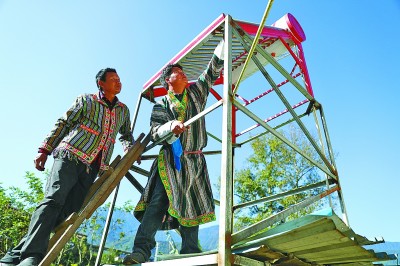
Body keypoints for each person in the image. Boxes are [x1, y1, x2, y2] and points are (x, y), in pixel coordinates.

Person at [0, 68, 137, 266]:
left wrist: (129, 149)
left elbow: (126, 134)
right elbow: (63, 123)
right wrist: (44, 150)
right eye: (113, 79)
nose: (119, 82)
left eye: (119, 79)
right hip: (69, 156)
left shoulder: (123, 110)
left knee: (69, 211)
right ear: (101, 83)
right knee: (53, 200)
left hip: (93, 166)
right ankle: (30, 256)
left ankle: (13, 256)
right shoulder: (86, 100)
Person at [123, 39, 225, 264]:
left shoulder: (197, 93)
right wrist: (172, 127)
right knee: (158, 202)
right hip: (171, 159)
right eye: (179, 73)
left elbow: (211, 72)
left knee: (193, 203)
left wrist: (222, 45)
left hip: (195, 159)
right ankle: (141, 251)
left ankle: (189, 251)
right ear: (168, 80)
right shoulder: (161, 106)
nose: (184, 75)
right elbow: (155, 132)